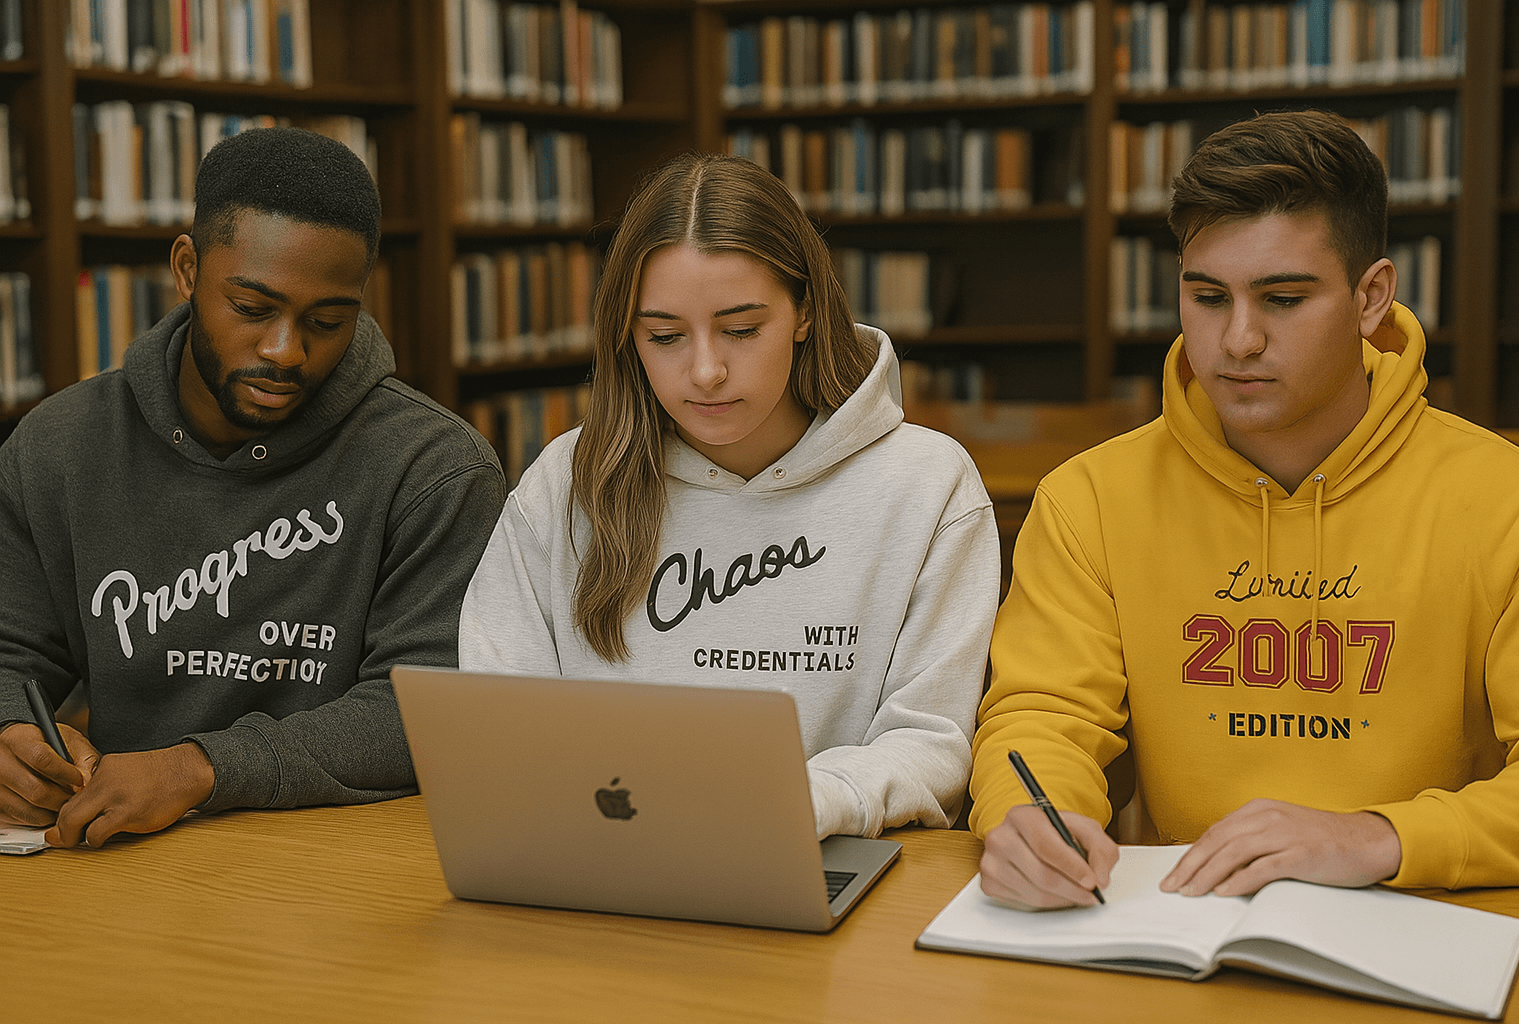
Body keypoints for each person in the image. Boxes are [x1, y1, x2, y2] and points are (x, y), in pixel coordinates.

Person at [972, 109, 1519, 907]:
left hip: (1426, 920)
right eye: (1207, 297)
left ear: (1370, 297)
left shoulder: (1512, 503)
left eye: (1281, 299)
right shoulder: (1090, 499)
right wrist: (1032, 818)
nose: (1236, 340)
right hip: (1180, 922)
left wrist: (1380, 836)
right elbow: (1044, 717)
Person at [459, 152, 999, 839]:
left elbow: (932, 740)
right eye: (665, 336)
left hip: (822, 851)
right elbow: (497, 718)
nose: (707, 370)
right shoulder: (565, 483)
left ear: (805, 312)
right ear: (628, 336)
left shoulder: (928, 484)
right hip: (599, 856)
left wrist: (802, 803)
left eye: (742, 330)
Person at [0, 127, 505, 847]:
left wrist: (201, 769)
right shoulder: (59, 446)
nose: (285, 351)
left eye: (327, 321)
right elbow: (10, 647)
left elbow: (423, 708)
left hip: (349, 872)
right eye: (252, 308)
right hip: (120, 866)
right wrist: (8, 735)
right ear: (186, 267)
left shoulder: (434, 469)